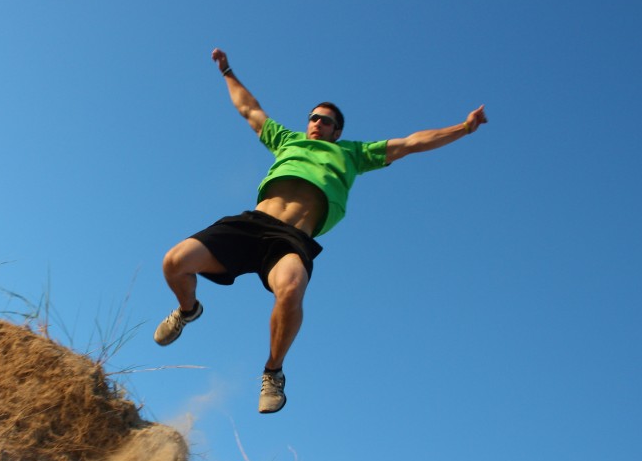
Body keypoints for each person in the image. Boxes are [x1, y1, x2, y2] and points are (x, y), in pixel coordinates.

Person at [155, 48, 487, 414]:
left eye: (325, 120)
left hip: (291, 239)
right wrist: (228, 72)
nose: (316, 123)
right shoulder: (287, 140)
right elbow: (249, 109)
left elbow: (411, 143)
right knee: (174, 262)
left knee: (292, 288)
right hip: (251, 224)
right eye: (313, 117)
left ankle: (272, 372)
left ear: (337, 130)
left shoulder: (353, 153)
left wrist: (464, 127)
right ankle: (188, 311)